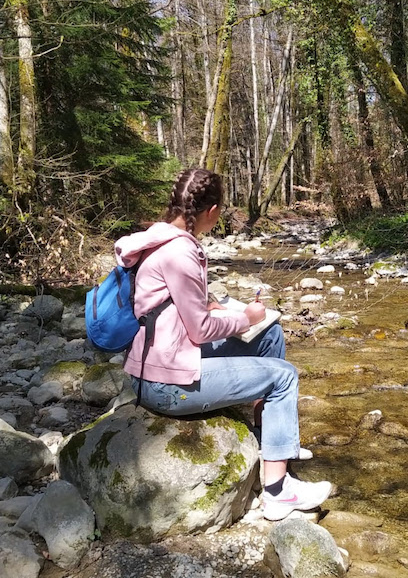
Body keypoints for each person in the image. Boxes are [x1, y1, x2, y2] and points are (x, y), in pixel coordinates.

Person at [114, 166, 332, 521]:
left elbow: (174, 308)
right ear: (211, 212)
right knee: (284, 376)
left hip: (155, 364)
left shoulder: (157, 240)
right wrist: (246, 318)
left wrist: (218, 309)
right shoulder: (181, 252)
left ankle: (270, 444)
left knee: (270, 336)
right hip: (165, 384)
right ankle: (278, 492)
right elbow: (199, 331)